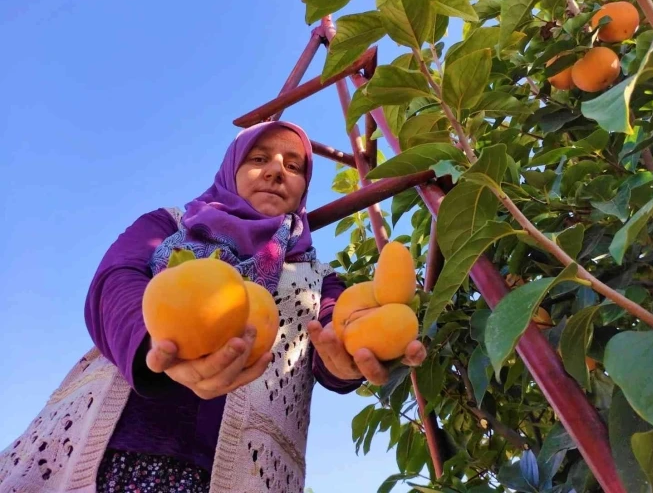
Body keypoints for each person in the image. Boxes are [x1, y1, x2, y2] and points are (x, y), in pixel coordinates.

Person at [0, 121, 427, 493]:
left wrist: (347, 359)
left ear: (302, 189)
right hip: (111, 447)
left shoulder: (316, 276)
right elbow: (115, 281)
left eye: (294, 166)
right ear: (231, 168)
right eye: (260, 158)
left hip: (238, 474)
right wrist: (156, 349)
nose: (277, 171)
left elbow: (334, 333)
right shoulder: (171, 224)